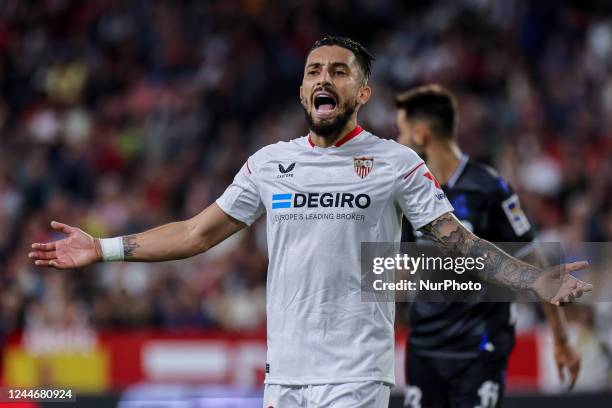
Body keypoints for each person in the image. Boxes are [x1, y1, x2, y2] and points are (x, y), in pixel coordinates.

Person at [29, 36, 591, 408]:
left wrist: (533, 279)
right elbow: (196, 233)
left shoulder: (396, 163)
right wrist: (101, 249)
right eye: (314, 70)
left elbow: (457, 241)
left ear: (362, 92)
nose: (325, 77)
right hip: (284, 377)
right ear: (302, 91)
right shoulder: (269, 164)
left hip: (354, 375)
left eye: (339, 71)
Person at [395, 84, 582, 408]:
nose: (397, 143)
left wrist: (561, 338)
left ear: (421, 134)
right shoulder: (410, 192)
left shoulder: (488, 187)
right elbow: (402, 273)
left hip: (480, 348)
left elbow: (534, 261)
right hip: (424, 348)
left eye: (401, 133)